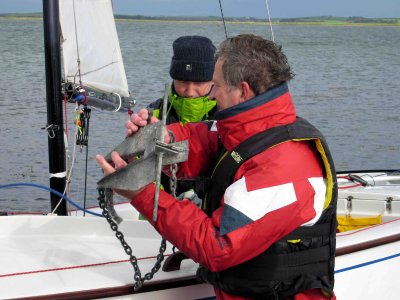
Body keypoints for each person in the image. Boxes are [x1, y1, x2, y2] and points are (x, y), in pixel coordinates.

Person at [97, 34, 337, 299]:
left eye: (216, 86)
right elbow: (204, 140)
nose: (210, 94)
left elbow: (217, 245)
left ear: (243, 90)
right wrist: (161, 137)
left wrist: (140, 193)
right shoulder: (248, 130)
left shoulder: (283, 165)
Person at [147, 35, 217, 204]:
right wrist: (166, 202)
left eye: (199, 83)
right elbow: (141, 166)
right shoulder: (154, 113)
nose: (190, 91)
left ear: (213, 80)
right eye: (183, 81)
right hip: (162, 208)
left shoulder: (228, 114)